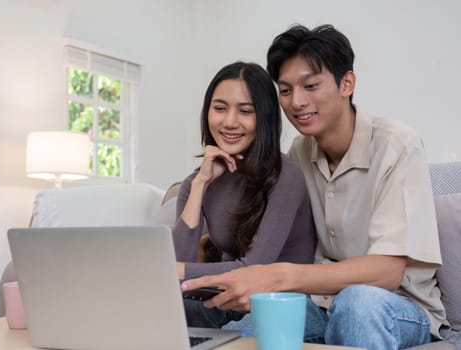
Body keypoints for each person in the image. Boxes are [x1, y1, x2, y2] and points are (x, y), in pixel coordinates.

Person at [181, 25, 448, 349]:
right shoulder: (299, 154)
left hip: (397, 306)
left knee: (357, 304)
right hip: (318, 303)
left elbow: (387, 271)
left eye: (310, 86)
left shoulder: (396, 145)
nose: (297, 102)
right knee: (246, 332)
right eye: (286, 90)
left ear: (346, 83)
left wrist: (281, 276)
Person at [174, 61, 317, 328]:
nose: (229, 122)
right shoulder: (199, 179)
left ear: (263, 119)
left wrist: (178, 271)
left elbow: (255, 268)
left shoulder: (287, 174)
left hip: (282, 308)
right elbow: (179, 262)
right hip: (228, 303)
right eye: (219, 109)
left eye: (245, 111)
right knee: (144, 310)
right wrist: (200, 183)